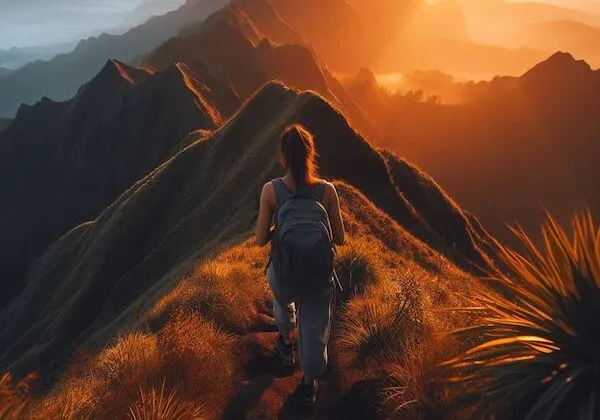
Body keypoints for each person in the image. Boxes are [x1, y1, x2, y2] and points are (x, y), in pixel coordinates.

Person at [255, 124, 345, 407]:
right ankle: (308, 383)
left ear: (283, 155)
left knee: (280, 295)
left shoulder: (271, 190)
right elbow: (340, 238)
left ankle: (284, 338)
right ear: (310, 153)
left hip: (285, 276)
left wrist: (279, 230)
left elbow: (259, 240)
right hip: (318, 276)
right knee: (314, 326)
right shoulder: (327, 192)